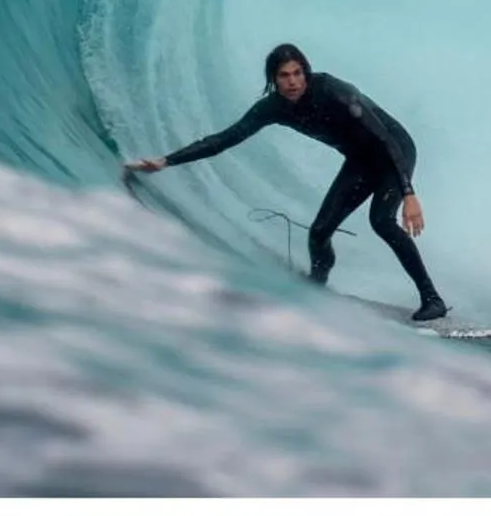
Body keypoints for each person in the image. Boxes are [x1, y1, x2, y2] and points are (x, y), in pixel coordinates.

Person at [124, 43, 448, 322]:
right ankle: (316, 287)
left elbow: (382, 137)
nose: (292, 82)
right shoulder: (274, 108)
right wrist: (165, 161)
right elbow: (225, 139)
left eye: (297, 73)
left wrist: (408, 192)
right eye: (284, 76)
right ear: (273, 79)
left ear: (306, 73)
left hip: (394, 150)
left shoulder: (337, 93)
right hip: (361, 160)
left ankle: (432, 299)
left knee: (381, 220)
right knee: (320, 232)